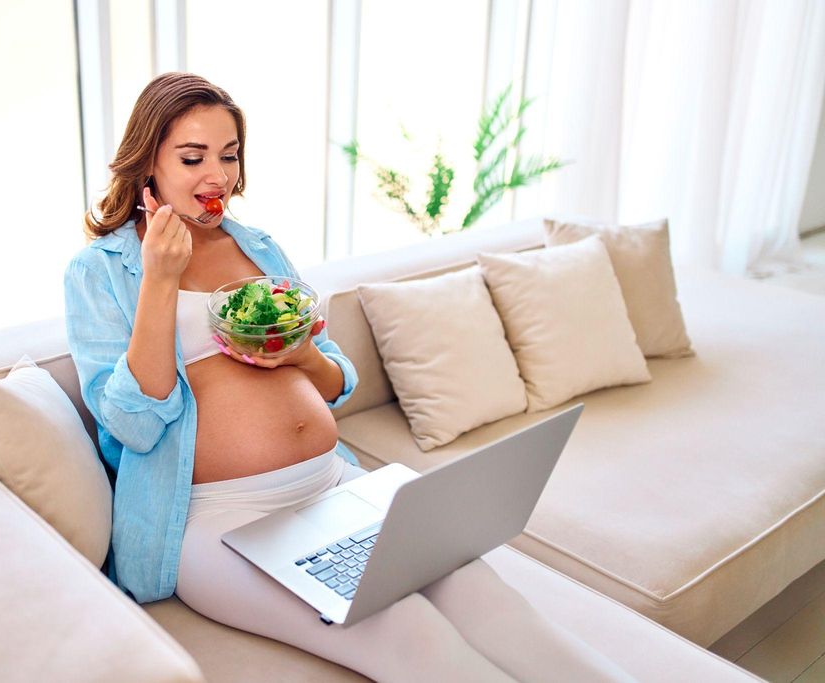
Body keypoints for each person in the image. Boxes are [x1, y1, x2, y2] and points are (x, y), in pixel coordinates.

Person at [64, 72, 632, 682]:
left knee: (495, 604)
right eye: (193, 157)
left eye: (229, 156)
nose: (217, 177)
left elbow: (336, 379)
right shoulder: (101, 271)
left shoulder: (258, 246)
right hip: (215, 516)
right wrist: (159, 279)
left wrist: (298, 356)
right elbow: (131, 426)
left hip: (335, 486)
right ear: (148, 161)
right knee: (411, 638)